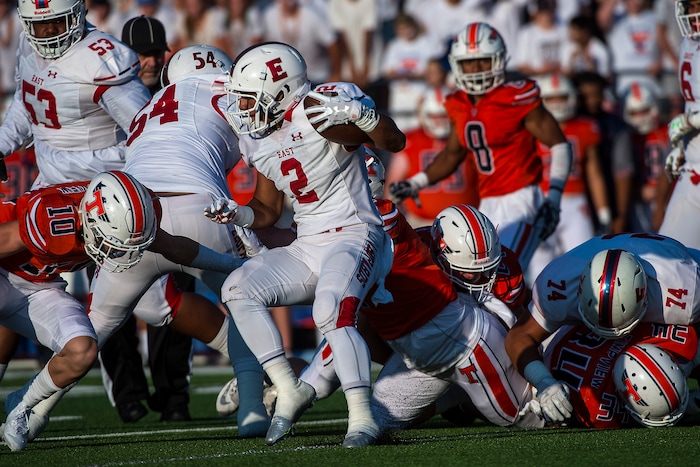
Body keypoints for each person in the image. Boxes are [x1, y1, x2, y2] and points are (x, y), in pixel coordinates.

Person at [208, 42, 405, 448]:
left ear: (280, 91)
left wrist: (365, 116)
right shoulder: (260, 141)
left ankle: (363, 417)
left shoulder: (318, 112)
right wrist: (238, 214)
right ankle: (288, 385)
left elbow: (394, 140)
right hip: (309, 240)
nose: (241, 109)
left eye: (248, 99)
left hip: (355, 232)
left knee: (329, 310)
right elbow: (265, 208)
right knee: (238, 288)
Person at [83, 44, 273, 438]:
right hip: (199, 207)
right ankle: (270, 387)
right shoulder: (228, 91)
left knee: (107, 318)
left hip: (128, 210)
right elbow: (267, 151)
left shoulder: (149, 109)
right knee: (242, 294)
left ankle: (32, 405)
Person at [0, 170, 244, 451]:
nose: (119, 253)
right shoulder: (55, 218)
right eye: (113, 243)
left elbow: (175, 248)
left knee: (83, 350)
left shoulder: (134, 211)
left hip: (43, 286)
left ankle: (23, 407)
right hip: (6, 274)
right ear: (90, 219)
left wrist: (232, 265)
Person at [388, 22, 573, 271]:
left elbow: (560, 145)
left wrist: (553, 198)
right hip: (487, 203)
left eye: (483, 61)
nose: (476, 69)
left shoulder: (516, 98)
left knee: (498, 275)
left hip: (522, 200)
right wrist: (415, 183)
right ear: (456, 65)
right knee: (476, 277)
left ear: (498, 60)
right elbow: (453, 153)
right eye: (468, 63)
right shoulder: (458, 103)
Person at [98, 15, 194, 424]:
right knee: (111, 308)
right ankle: (129, 394)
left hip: (167, 205)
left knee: (175, 302)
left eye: (156, 53)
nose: (150, 61)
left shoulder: (181, 91)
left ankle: (174, 396)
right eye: (142, 54)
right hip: (114, 208)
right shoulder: (107, 91)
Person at [504, 232, 700, 424]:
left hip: (681, 269)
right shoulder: (559, 283)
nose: (613, 336)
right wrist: (544, 382)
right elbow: (519, 337)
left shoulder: (685, 292)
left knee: (655, 372)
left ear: (644, 294)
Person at [0, 0, 151, 187]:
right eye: (40, 24)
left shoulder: (98, 61)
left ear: (77, 16)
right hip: (48, 176)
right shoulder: (27, 45)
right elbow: (27, 102)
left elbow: (147, 129)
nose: (49, 31)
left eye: (58, 21)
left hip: (99, 180)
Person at [528, 72, 609, 283]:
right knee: (540, 266)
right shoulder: (530, 130)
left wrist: (603, 211)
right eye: (552, 98)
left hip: (575, 202)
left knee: (586, 263)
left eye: (562, 97)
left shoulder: (583, 127)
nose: (557, 103)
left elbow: (594, 173)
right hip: (542, 200)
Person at [541, 324, 695, 428]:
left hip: (564, 329)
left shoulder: (665, 335)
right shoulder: (600, 408)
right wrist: (690, 406)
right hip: (548, 353)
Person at [384, 66, 480, 228]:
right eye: (434, 116)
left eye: (443, 116)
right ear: (423, 115)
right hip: (419, 222)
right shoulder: (411, 140)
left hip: (466, 223)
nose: (438, 121)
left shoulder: (466, 137)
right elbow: (393, 188)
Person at [660, 0, 700, 250]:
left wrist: (689, 122)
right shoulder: (689, 42)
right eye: (690, 5)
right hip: (694, 170)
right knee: (667, 256)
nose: (694, 12)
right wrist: (682, 148)